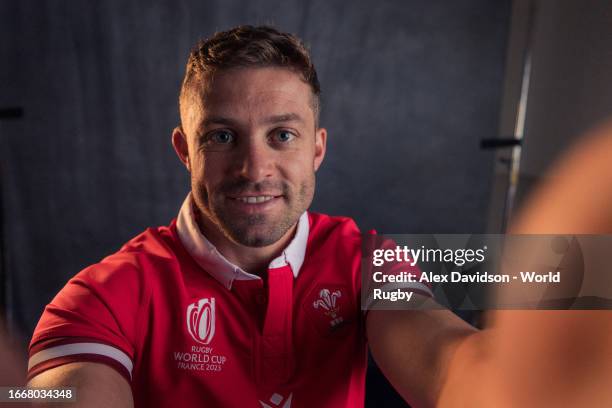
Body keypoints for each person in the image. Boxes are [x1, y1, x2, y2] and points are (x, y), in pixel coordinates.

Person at [25, 25, 496, 408]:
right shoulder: (103, 295)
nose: (254, 169)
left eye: (283, 135)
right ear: (186, 151)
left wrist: (534, 368)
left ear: (317, 148)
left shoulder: (366, 262)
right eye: (222, 137)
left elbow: (445, 356)